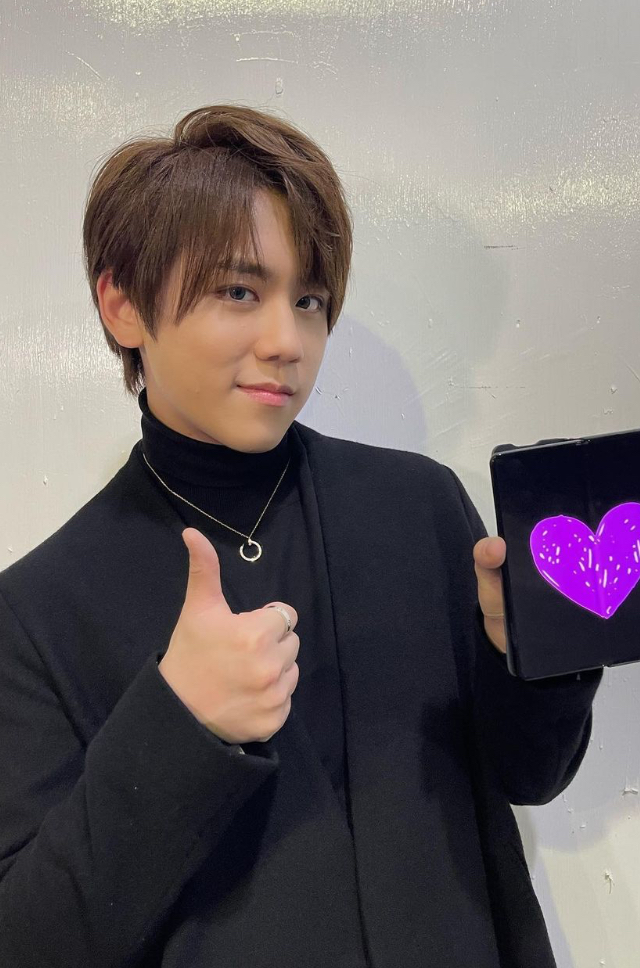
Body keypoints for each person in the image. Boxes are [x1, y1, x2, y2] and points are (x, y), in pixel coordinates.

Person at [0, 104, 601, 968]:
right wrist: (178, 726)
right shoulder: (36, 612)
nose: (288, 341)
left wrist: (541, 657)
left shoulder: (417, 506)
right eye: (239, 292)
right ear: (123, 305)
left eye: (309, 300)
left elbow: (529, 774)